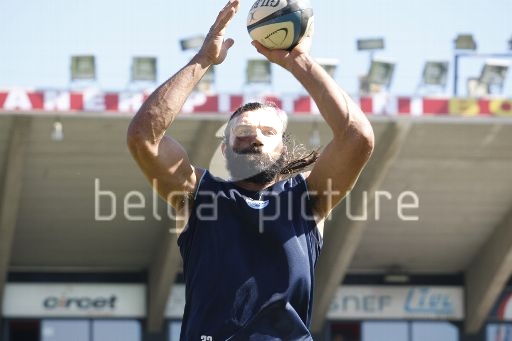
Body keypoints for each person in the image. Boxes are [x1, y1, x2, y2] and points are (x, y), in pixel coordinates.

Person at [126, 0, 374, 339]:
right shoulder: (198, 195)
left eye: (268, 132)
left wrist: (299, 62)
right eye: (242, 132)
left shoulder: (308, 199)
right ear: (224, 148)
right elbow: (145, 138)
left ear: (283, 148)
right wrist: (203, 60)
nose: (255, 137)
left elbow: (357, 137)